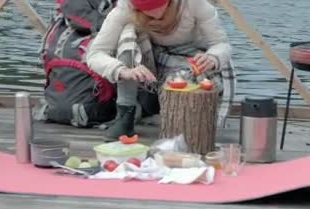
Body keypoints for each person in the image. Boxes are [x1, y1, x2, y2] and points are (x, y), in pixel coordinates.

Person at [85, 0, 232, 141]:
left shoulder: (194, 3)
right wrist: (122, 70)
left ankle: (185, 121)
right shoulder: (125, 8)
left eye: (160, 6)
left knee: (193, 80)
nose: (155, 14)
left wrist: (212, 57)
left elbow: (221, 44)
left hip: (190, 56)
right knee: (127, 35)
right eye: (146, 10)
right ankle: (125, 115)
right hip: (152, 58)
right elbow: (95, 54)